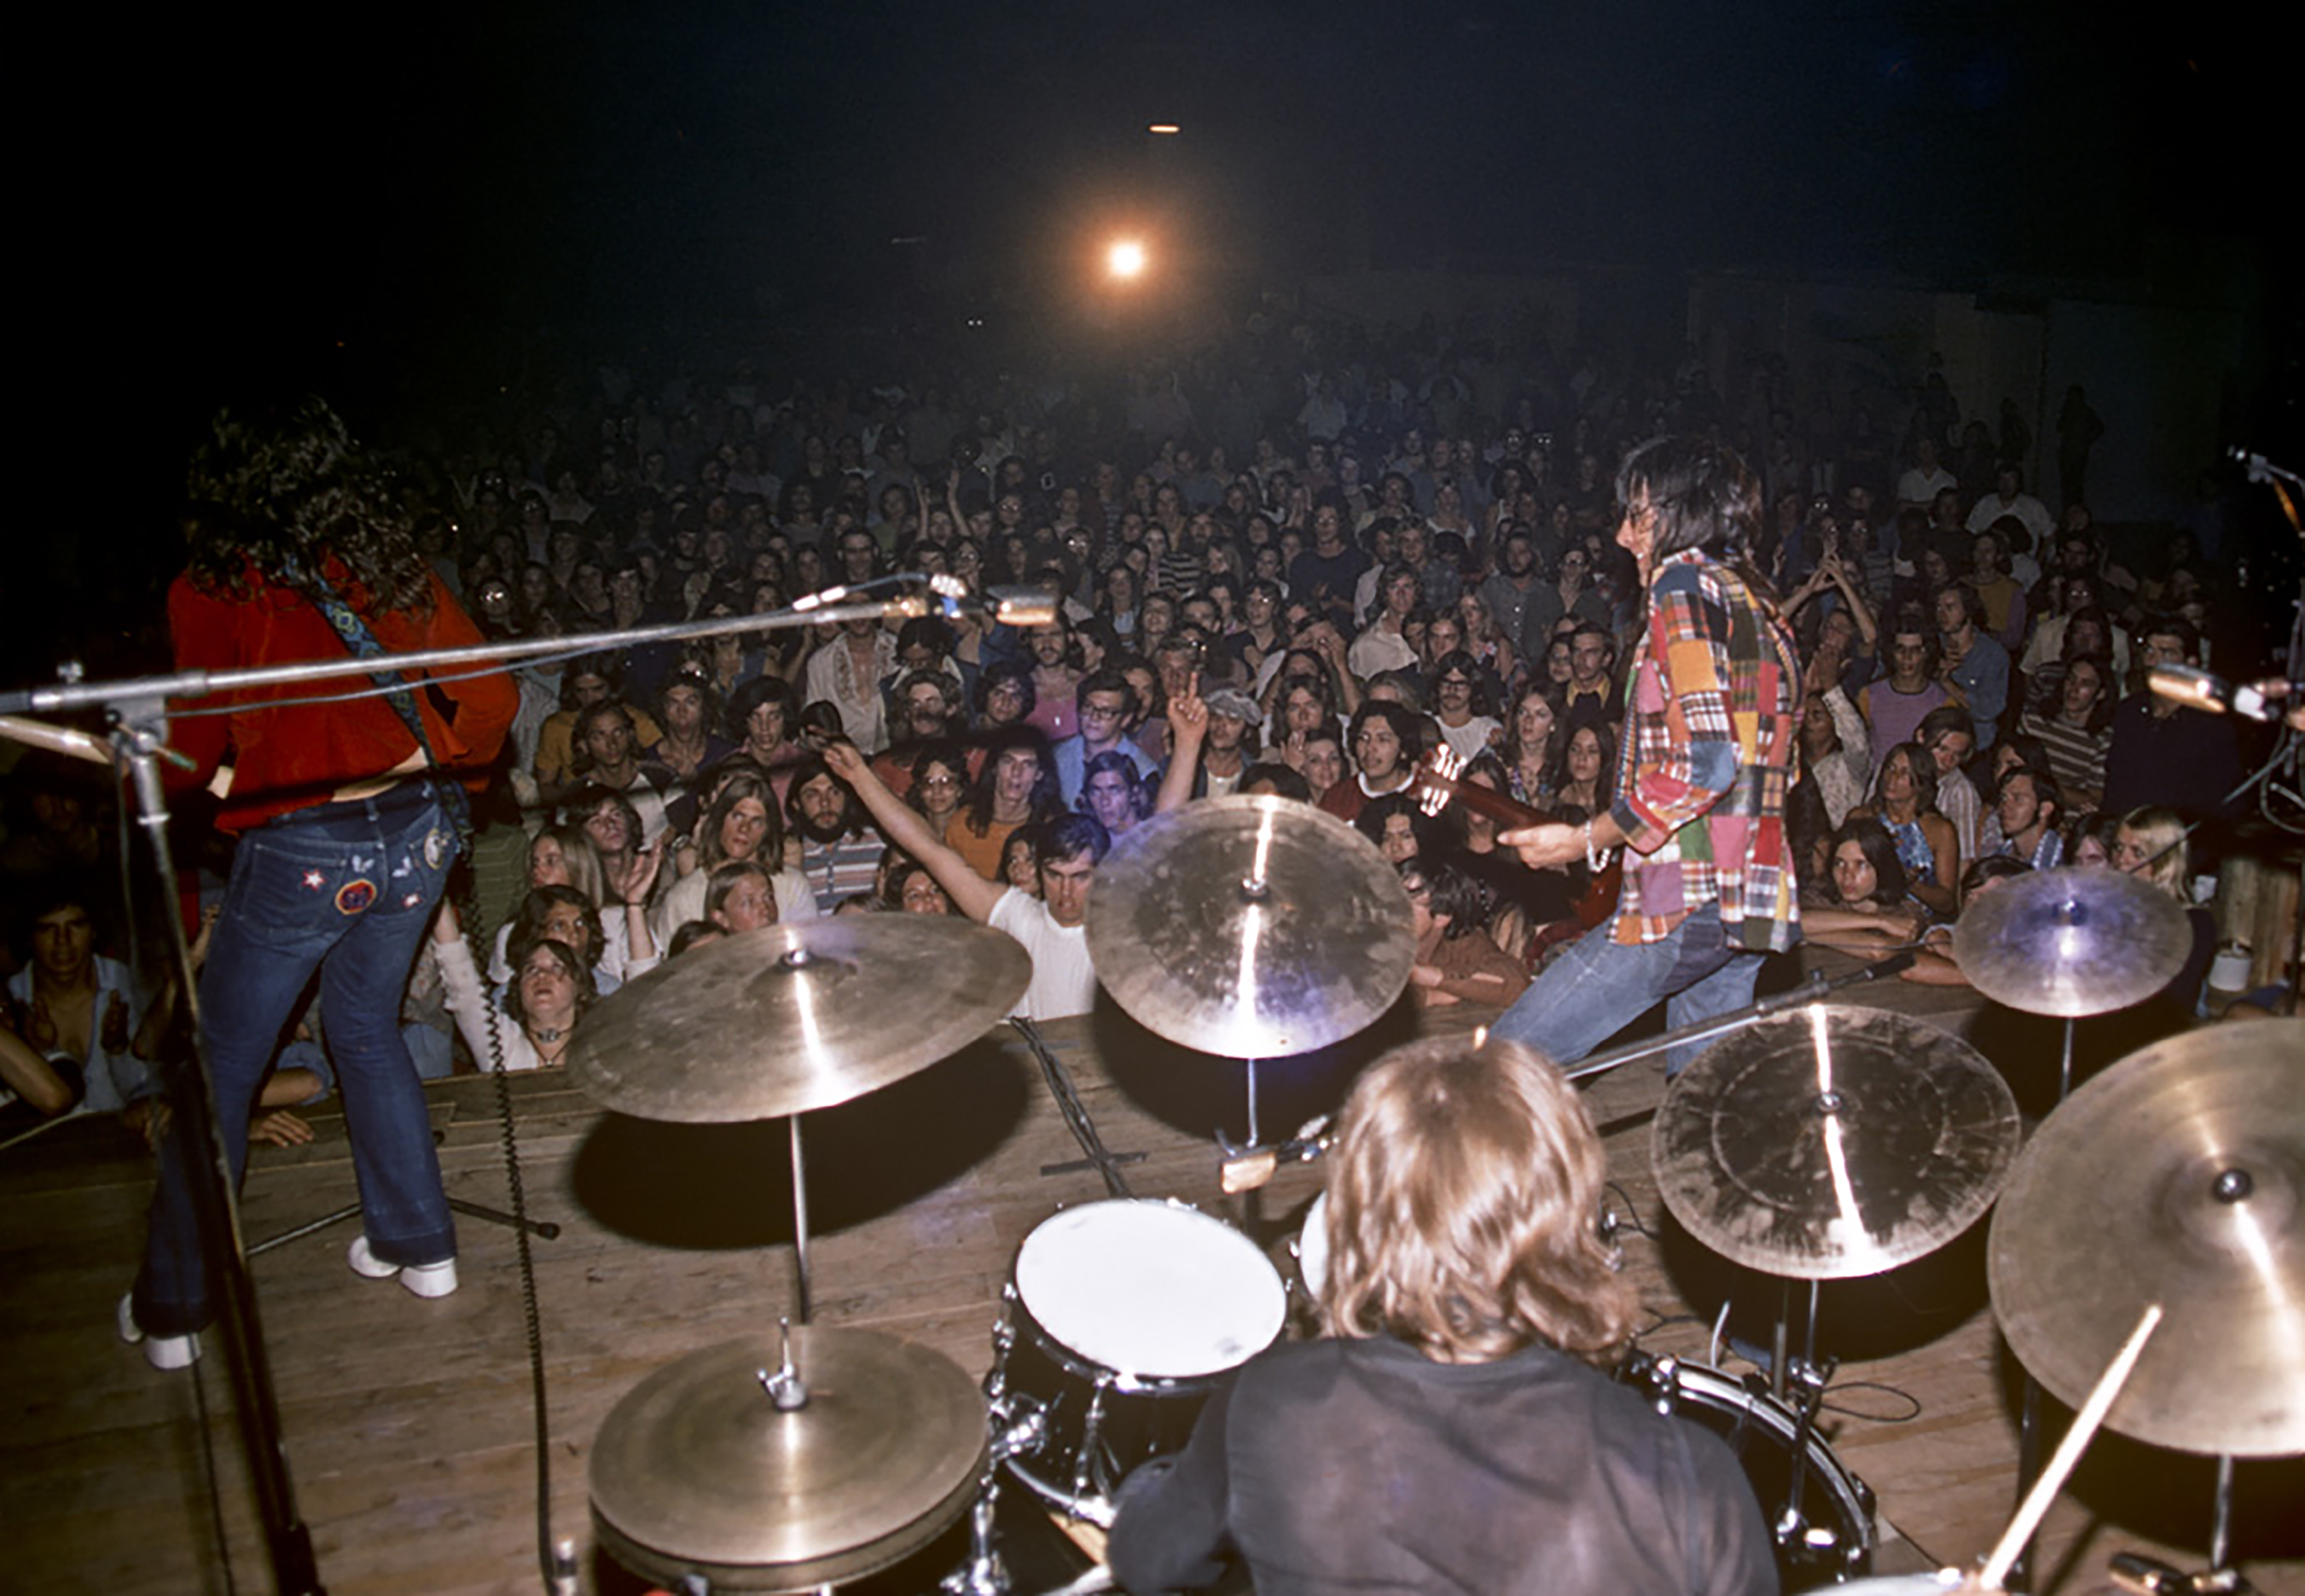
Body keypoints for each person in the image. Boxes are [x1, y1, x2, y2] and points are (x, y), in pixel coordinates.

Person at [124, 402, 516, 1369]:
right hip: (417, 840)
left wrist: (133, 763)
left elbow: (188, 757)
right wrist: (430, 771)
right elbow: (493, 698)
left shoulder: (212, 587)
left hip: (308, 851)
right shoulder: (383, 565)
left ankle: (175, 1306)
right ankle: (420, 1245)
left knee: (221, 1066)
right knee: (366, 1028)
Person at [1107, 1034, 1775, 1596]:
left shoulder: (1271, 1400)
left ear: (1357, 1212)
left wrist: (1156, 1484)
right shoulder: (1685, 1479)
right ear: (1573, 1211)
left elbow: (1148, 1560)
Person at [1490, 436, 1802, 1073]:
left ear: (1679, 516)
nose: (1623, 537)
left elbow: (1707, 762)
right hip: (1747, 890)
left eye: (1637, 517)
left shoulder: (1680, 586)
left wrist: (1585, 838)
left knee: (1504, 1064)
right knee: (1701, 1096)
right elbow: (1777, 765)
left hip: (1687, 894)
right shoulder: (1758, 602)